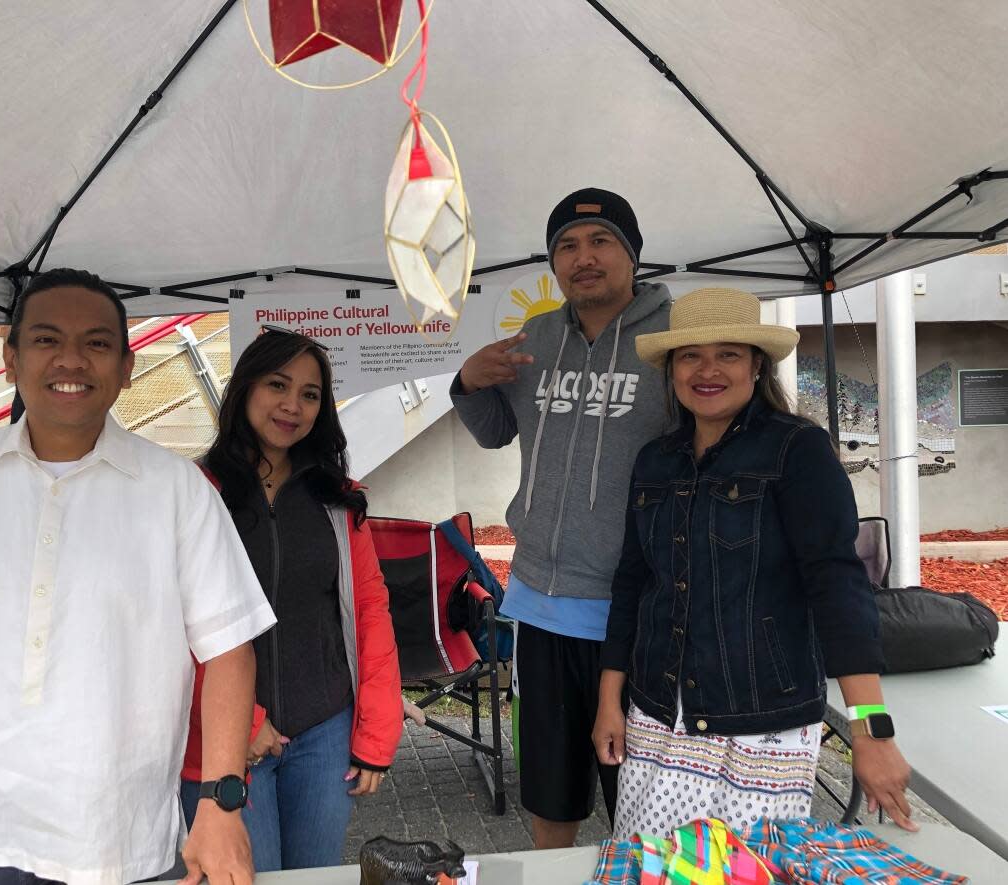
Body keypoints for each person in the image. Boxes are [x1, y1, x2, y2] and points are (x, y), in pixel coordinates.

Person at [0, 268, 275, 885]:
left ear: (126, 365)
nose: (71, 359)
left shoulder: (177, 491)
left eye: (97, 343)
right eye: (45, 339)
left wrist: (221, 805)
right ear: (10, 359)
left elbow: (228, 649)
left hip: (117, 842)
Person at [592, 287, 915, 838]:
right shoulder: (655, 460)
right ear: (671, 369)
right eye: (691, 355)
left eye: (729, 354)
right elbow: (632, 585)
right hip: (657, 714)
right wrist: (609, 701)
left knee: (750, 871)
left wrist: (872, 731)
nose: (707, 370)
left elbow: (837, 587)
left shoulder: (798, 450)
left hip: (761, 722)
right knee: (654, 869)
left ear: (756, 364)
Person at [451, 188, 671, 848]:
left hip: (636, 612)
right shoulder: (536, 339)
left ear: (631, 254)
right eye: (568, 247)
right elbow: (494, 432)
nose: (584, 258)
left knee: (640, 804)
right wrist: (468, 381)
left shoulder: (672, 342)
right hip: (542, 607)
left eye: (602, 241)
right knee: (551, 794)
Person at [180, 327, 403, 872]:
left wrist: (376, 732)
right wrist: (244, 722)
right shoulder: (195, 494)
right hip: (227, 741)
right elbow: (172, 625)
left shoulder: (337, 499)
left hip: (324, 733)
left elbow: (370, 612)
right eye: (278, 384)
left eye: (310, 394)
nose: (293, 405)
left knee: (317, 878)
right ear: (245, 390)